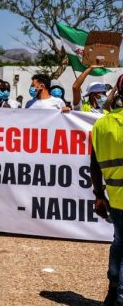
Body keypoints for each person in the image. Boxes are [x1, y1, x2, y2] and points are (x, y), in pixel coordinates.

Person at [90, 74, 123, 306]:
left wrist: (99, 195)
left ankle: (113, 289)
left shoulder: (101, 124)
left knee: (120, 241)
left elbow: (93, 164)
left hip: (114, 195)